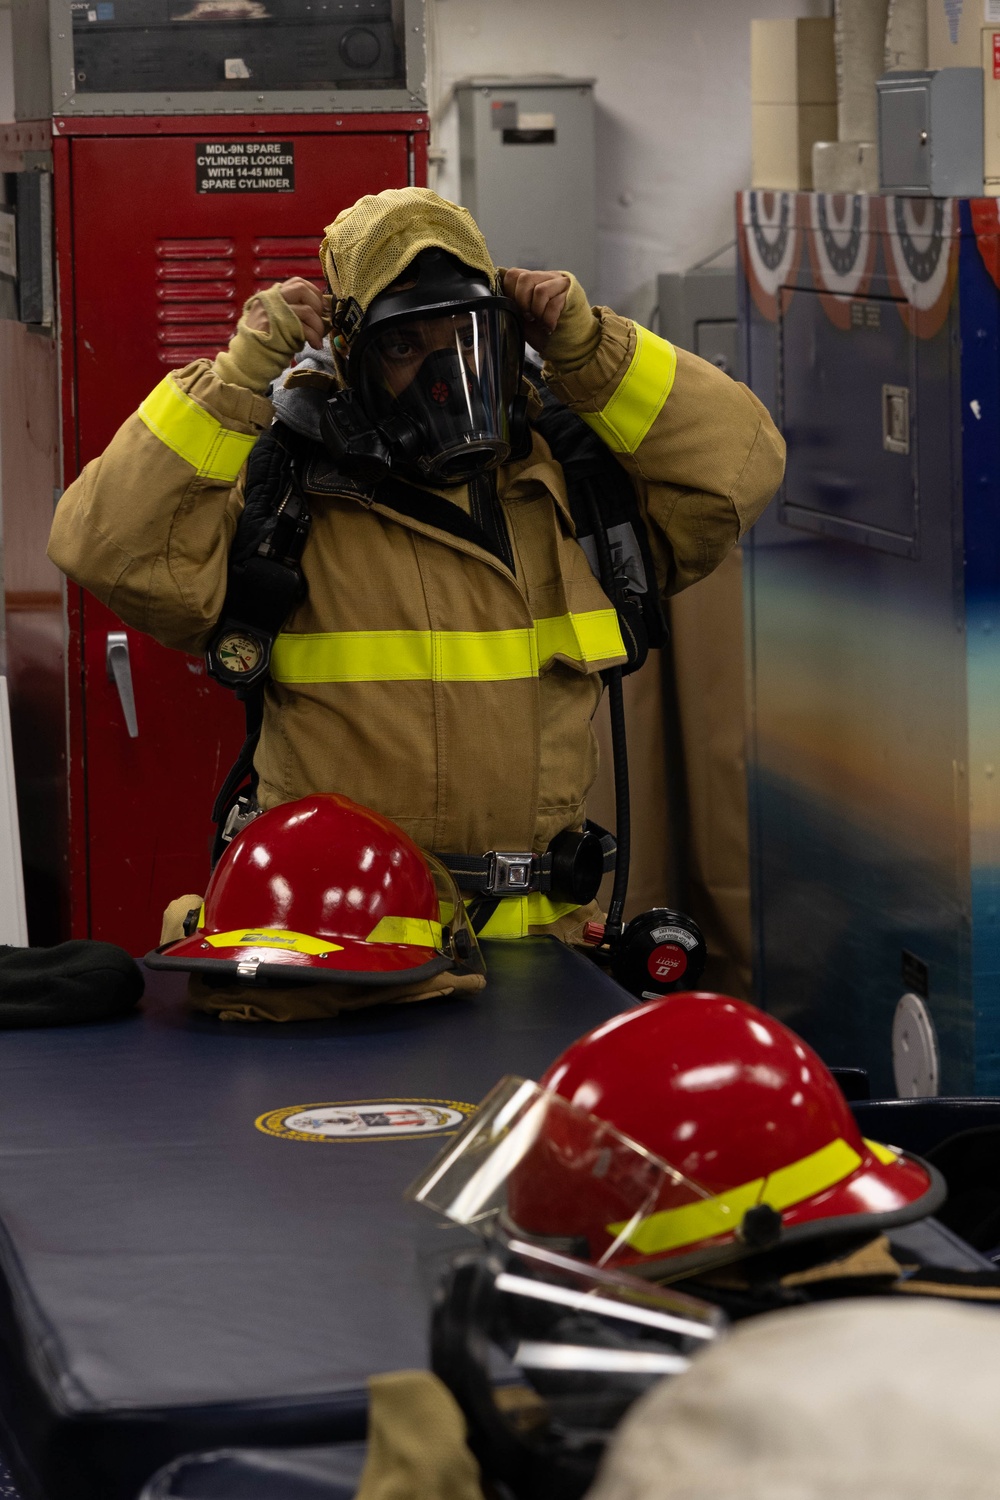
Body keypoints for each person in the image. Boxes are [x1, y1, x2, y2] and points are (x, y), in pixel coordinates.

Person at [47, 187, 784, 946]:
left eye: (464, 338)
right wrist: (237, 378)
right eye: (405, 348)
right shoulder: (287, 491)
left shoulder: (570, 487)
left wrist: (589, 348)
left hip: (535, 958)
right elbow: (107, 547)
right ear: (352, 362)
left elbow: (741, 469)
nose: (444, 378)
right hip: (331, 951)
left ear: (503, 341)